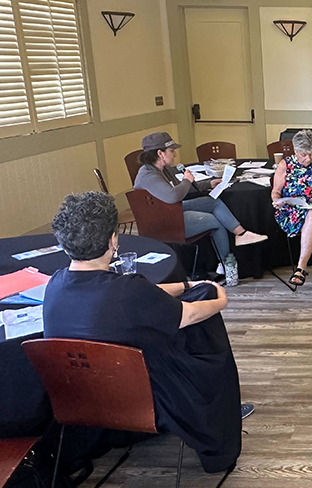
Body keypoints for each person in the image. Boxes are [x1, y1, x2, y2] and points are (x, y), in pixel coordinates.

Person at [43, 191, 247, 474]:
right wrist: (220, 300)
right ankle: (220, 435)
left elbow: (146, 296)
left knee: (197, 293)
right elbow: (187, 315)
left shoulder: (54, 286)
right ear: (113, 240)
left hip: (83, 397)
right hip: (145, 395)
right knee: (205, 326)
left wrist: (188, 286)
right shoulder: (128, 291)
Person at [133, 132, 267, 273]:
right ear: (160, 154)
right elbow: (173, 196)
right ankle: (226, 264)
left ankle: (241, 234)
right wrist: (186, 180)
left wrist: (208, 183)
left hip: (172, 211)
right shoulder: (148, 175)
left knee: (212, 202)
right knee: (215, 221)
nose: (175, 155)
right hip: (165, 221)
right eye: (171, 151)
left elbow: (181, 188)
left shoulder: (164, 169)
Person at [272, 130, 312, 298]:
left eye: (311, 154)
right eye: (303, 154)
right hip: (292, 211)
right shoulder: (285, 165)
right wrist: (277, 201)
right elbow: (276, 192)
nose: (308, 158)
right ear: (295, 151)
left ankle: (301, 268)